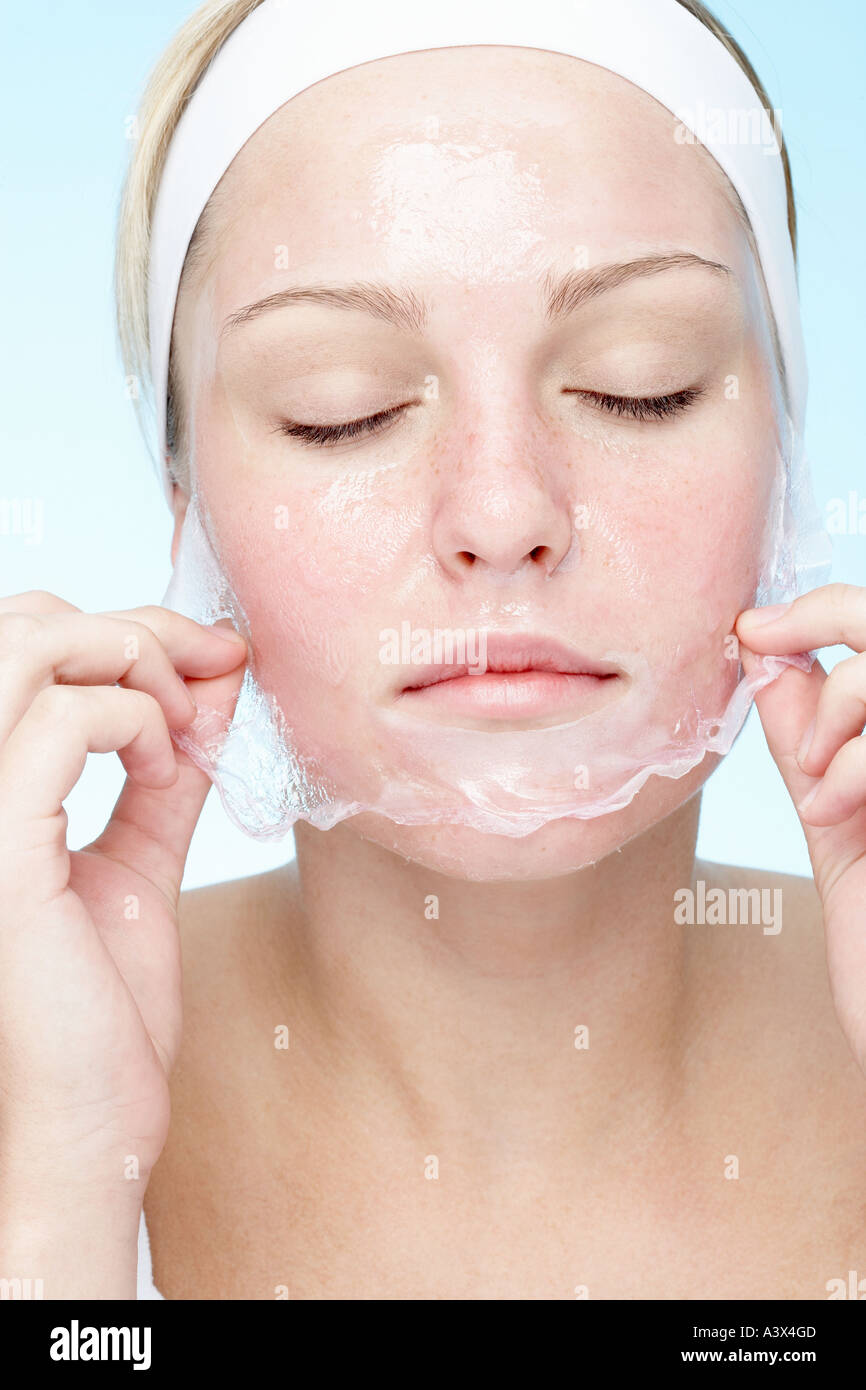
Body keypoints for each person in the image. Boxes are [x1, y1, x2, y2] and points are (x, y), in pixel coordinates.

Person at [2, 0, 864, 1301]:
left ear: (783, 469)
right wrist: (58, 1200)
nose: (502, 514)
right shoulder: (34, 1057)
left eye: (643, 382)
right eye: (339, 410)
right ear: (190, 522)